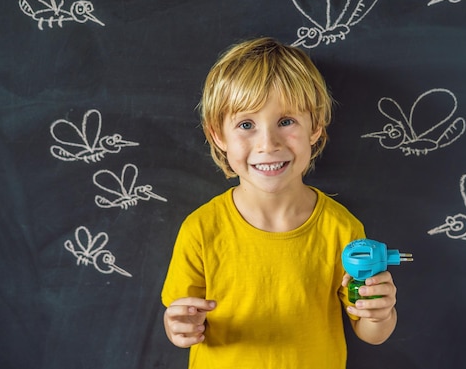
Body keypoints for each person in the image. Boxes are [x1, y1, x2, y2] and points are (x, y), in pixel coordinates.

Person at [162, 37, 398, 368]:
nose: (267, 144)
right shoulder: (201, 230)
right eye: (246, 125)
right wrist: (179, 326)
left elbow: (370, 331)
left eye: (286, 121)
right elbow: (179, 317)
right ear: (218, 135)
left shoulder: (343, 229)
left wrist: (381, 311)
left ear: (315, 127)